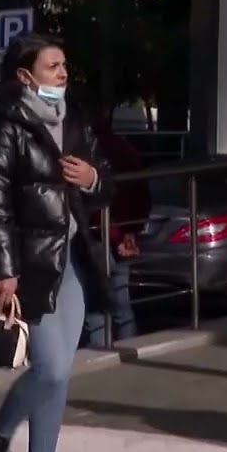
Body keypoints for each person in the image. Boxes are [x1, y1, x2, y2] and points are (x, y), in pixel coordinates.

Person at [0, 34, 115, 452]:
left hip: (71, 256)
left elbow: (107, 182)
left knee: (61, 371)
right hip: (29, 262)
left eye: (64, 64)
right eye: (53, 66)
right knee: (50, 368)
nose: (63, 73)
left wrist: (91, 178)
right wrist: (3, 269)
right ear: (25, 76)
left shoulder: (72, 119)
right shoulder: (2, 124)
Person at [84, 109, 151, 347]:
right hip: (121, 234)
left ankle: (99, 350)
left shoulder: (86, 150)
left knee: (96, 306)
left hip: (95, 234)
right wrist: (132, 229)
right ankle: (129, 348)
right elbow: (142, 194)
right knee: (121, 303)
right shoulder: (125, 149)